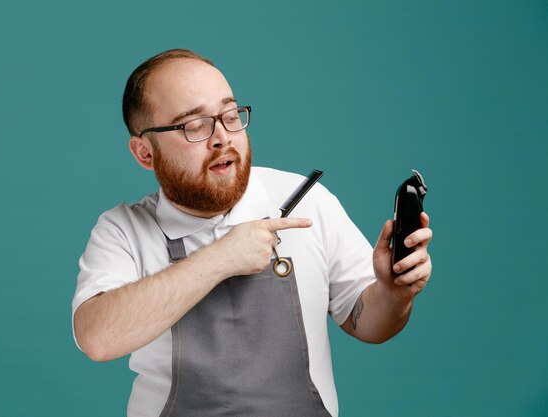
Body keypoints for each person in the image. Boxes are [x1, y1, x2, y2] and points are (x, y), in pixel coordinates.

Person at [72, 49, 433, 417]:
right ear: (144, 152)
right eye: (194, 125)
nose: (222, 138)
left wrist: (393, 294)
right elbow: (97, 339)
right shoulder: (123, 230)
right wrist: (222, 258)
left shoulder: (307, 201)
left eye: (230, 115)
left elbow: (367, 323)